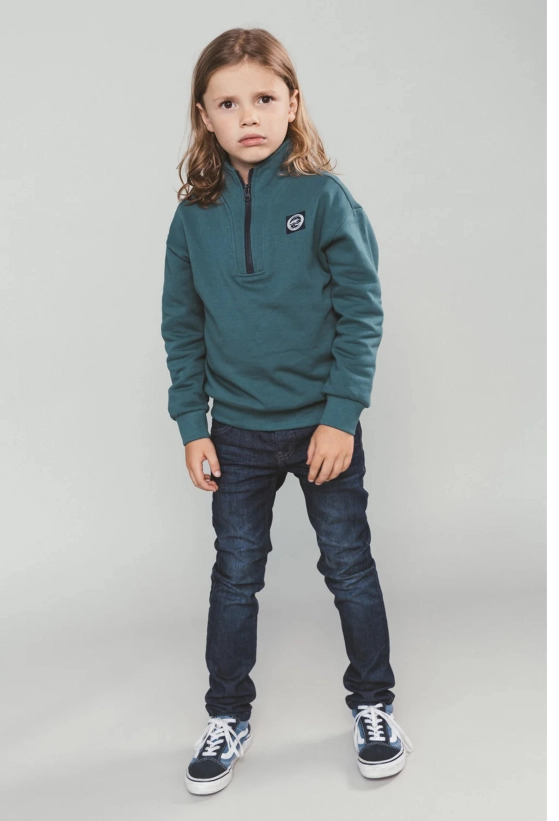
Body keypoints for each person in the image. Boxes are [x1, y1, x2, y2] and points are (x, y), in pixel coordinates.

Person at [161, 27, 414, 797]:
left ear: (293, 104)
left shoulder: (323, 198)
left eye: (264, 98)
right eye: (228, 103)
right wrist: (192, 424)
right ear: (204, 116)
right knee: (234, 575)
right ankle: (226, 714)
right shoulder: (192, 216)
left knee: (348, 565)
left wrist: (341, 414)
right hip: (235, 432)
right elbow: (181, 326)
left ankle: (372, 703)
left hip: (320, 429)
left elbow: (361, 311)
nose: (248, 116)